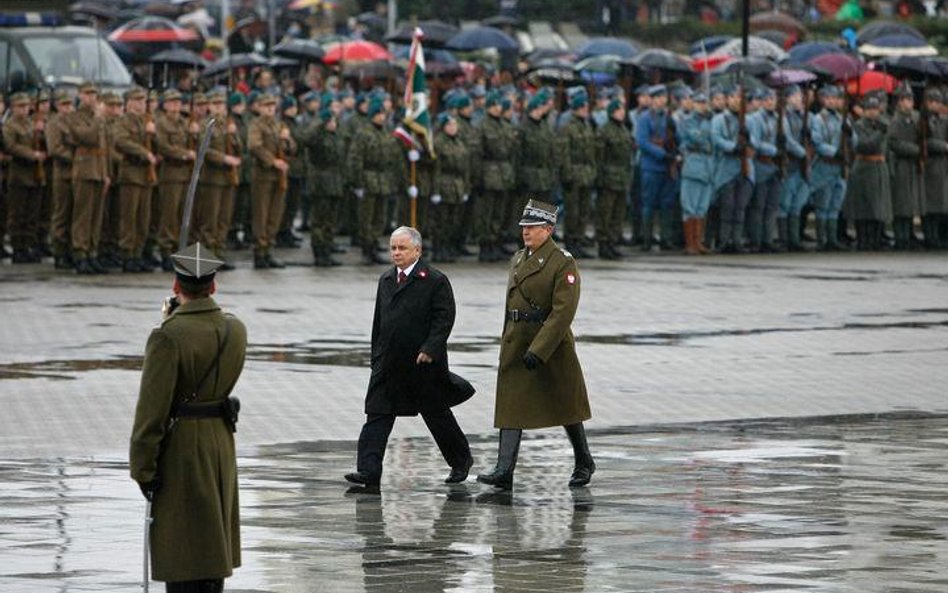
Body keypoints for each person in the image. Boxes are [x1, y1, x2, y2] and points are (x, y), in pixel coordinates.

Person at [129, 241, 248, 593]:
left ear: (175, 285)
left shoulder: (167, 337)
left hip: (182, 449)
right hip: (220, 443)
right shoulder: (235, 329)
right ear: (213, 286)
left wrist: (143, 469)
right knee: (211, 554)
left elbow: (151, 413)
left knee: (184, 555)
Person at [345, 226, 475, 493]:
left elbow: (444, 319)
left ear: (417, 250)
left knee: (437, 415)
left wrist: (430, 348)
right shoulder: (386, 279)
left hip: (421, 364)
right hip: (389, 363)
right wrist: (376, 356)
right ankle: (369, 471)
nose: (396, 253)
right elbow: (379, 322)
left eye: (402, 248)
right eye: (393, 248)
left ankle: (461, 461)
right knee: (377, 414)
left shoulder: (434, 280)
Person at [477, 199, 594, 491]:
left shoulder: (562, 261)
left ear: (549, 229)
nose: (526, 232)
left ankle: (584, 460)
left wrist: (539, 350)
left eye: (533, 227)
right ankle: (504, 469)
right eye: (524, 227)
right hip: (517, 340)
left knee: (566, 405)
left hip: (551, 344)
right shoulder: (518, 258)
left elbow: (563, 312)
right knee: (510, 404)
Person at [247, 93, 295, 268]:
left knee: (275, 215)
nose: (270, 108)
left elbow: (292, 148)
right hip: (263, 175)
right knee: (262, 215)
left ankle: (268, 249)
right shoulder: (256, 124)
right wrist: (273, 161)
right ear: (259, 107)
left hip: (279, 176)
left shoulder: (279, 124)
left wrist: (287, 139)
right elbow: (254, 146)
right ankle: (259, 252)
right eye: (266, 105)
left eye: (272, 105)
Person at [3, 92, 47, 263]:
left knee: (32, 213)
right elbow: (10, 146)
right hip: (19, 175)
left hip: (35, 175)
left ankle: (28, 244)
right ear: (13, 108)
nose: (24, 109)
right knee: (18, 213)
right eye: (20, 106)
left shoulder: (32, 124)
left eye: (26, 106)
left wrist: (41, 132)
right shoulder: (10, 126)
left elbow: (43, 143)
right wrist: (31, 154)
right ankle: (18, 247)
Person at [847, 95, 891, 251]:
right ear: (864, 111)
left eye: (875, 109)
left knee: (879, 207)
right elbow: (865, 146)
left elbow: (887, 147)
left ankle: (876, 239)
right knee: (863, 207)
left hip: (879, 166)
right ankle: (863, 239)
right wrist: (879, 133)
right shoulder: (858, 125)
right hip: (864, 167)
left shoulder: (882, 124)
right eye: (869, 109)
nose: (873, 112)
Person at [595, 96, 633, 259]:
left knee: (618, 213)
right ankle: (603, 244)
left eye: (622, 109)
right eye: (618, 110)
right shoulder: (604, 130)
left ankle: (613, 242)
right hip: (609, 178)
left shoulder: (624, 129)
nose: (622, 112)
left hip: (622, 177)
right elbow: (599, 157)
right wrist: (600, 179)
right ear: (612, 112)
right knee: (605, 213)